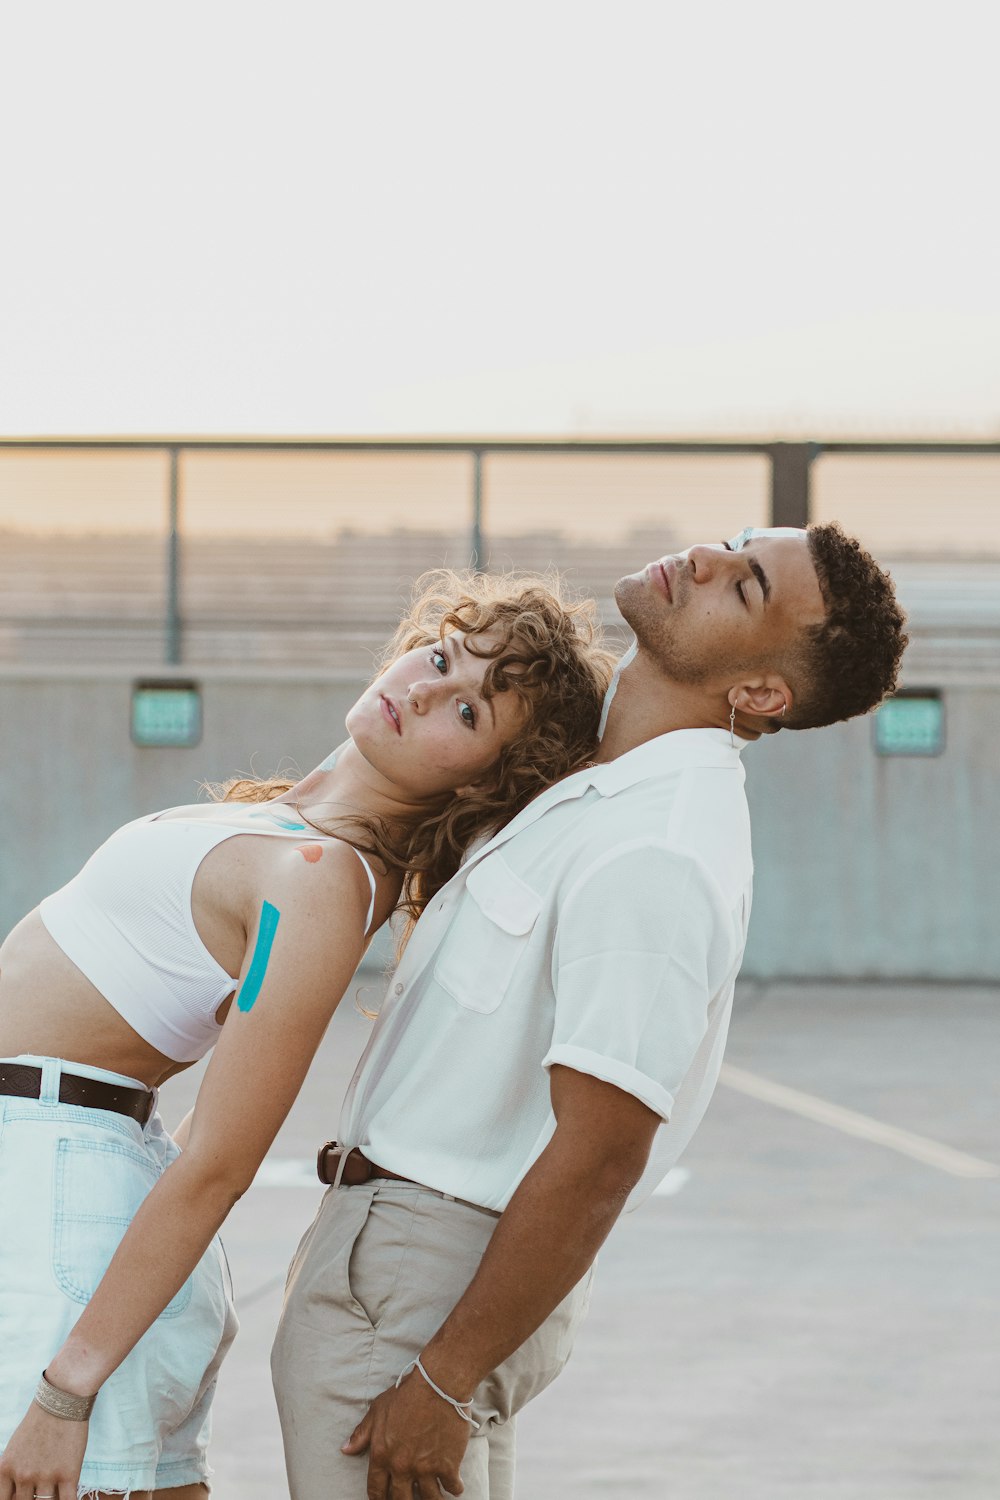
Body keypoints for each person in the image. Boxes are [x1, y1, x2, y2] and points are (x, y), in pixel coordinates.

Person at [271, 520, 909, 1500]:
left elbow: (602, 1151)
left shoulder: (655, 847)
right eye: (732, 541)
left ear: (760, 693)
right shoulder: (592, 788)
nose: (702, 559)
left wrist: (441, 1379)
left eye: (742, 587)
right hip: (402, 1272)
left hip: (425, 1288)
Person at [0, 570, 613, 1500]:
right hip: (42, 1182)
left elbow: (218, 1158)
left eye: (469, 711)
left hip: (62, 1213)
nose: (425, 688)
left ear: (487, 778)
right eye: (442, 657)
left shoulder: (317, 883)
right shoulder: (289, 825)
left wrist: (67, 1391)